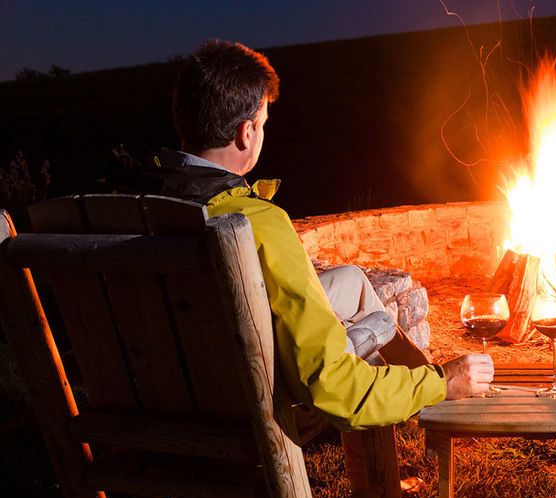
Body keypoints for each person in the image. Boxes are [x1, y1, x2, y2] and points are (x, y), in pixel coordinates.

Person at [116, 40, 494, 435]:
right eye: (263, 123)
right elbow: (332, 387)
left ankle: (422, 386)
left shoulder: (131, 206)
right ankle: (433, 390)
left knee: (352, 280)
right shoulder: (256, 222)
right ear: (246, 132)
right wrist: (439, 383)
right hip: (242, 402)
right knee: (379, 320)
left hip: (165, 385)